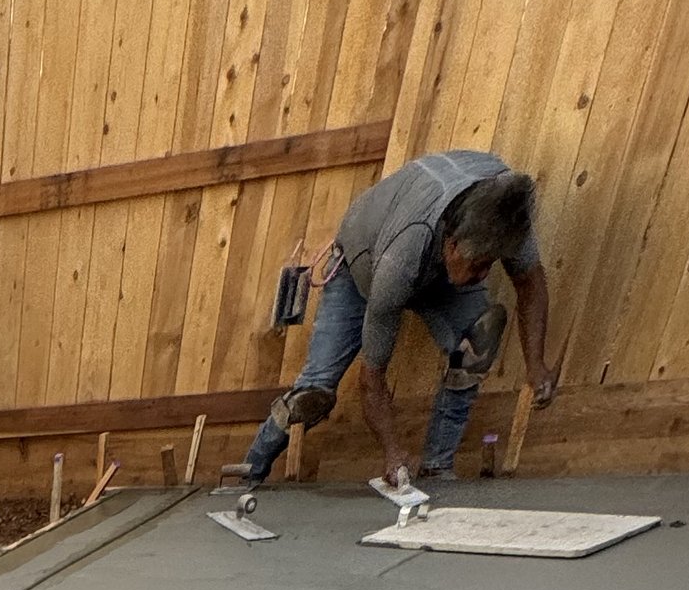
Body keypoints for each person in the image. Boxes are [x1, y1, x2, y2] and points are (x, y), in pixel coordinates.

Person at [237, 153, 558, 490]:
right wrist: (392, 452)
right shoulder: (400, 261)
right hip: (364, 263)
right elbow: (371, 379)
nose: (483, 276)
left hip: (429, 262)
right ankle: (247, 470)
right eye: (478, 265)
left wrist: (536, 364)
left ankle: (437, 468)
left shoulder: (504, 214)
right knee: (315, 392)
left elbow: (530, 283)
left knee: (477, 343)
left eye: (489, 264)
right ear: (452, 246)